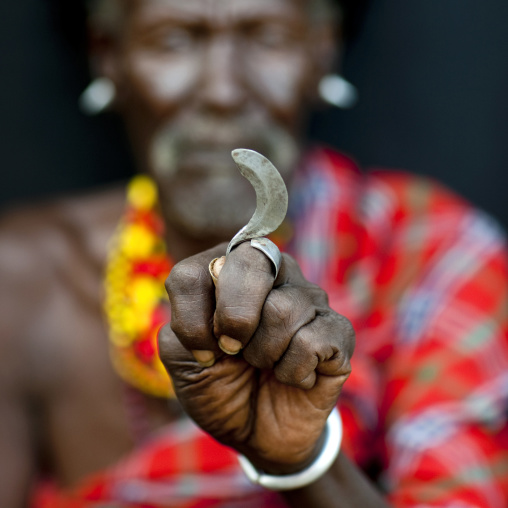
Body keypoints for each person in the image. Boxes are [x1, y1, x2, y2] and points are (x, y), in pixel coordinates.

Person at [1, 0, 508, 506]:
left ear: (321, 50)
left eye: (267, 37)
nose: (222, 92)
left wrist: (303, 460)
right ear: (109, 54)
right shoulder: (21, 280)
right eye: (174, 40)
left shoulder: (427, 253)